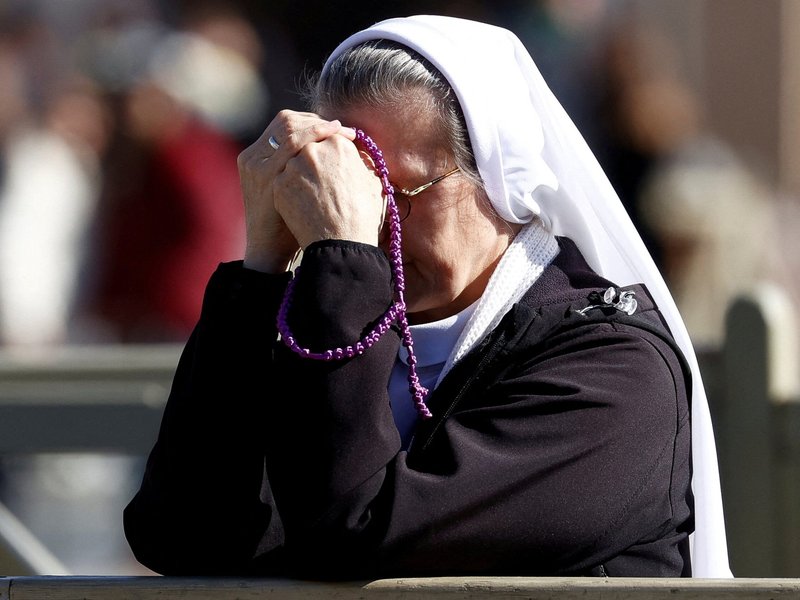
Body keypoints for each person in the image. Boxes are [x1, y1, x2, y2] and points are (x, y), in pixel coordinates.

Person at [123, 15, 731, 578]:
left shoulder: (614, 375)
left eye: (400, 192)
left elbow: (355, 532)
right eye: (354, 188)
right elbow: (178, 532)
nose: (369, 223)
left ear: (498, 182)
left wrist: (342, 259)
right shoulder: (336, 319)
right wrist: (262, 267)